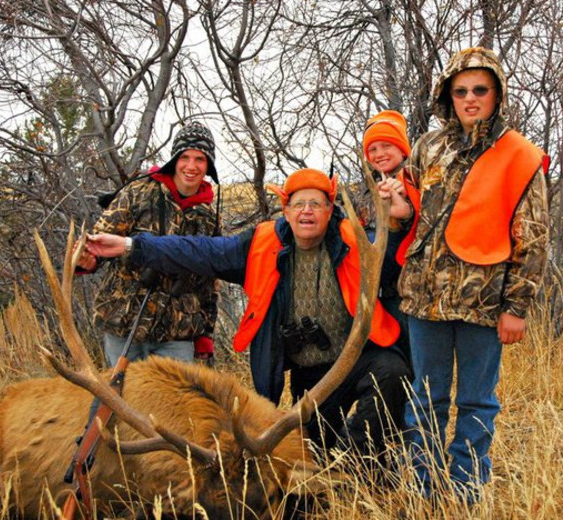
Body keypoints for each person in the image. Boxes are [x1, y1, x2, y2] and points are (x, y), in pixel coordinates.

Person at [84, 168, 414, 458]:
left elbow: (399, 256)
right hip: (311, 379)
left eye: (317, 204)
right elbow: (197, 251)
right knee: (312, 455)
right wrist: (131, 246)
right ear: (285, 209)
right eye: (298, 204)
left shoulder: (356, 241)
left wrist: (402, 221)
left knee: (391, 370)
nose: (307, 211)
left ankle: (362, 459)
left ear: (331, 210)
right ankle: (335, 457)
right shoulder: (260, 245)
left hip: (355, 361)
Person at [399, 47, 550, 500]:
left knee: (477, 403)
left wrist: (516, 308)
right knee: (426, 401)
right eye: (460, 91)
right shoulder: (428, 147)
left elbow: (534, 237)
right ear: (448, 95)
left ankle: (466, 493)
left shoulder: (520, 155)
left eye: (480, 90)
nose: (470, 99)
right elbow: (408, 215)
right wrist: (394, 208)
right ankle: (423, 492)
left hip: (484, 304)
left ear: (496, 94)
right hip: (425, 300)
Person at [77, 121, 222, 367]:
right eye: (185, 157)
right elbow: (100, 241)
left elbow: (209, 283)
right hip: (125, 324)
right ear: (174, 160)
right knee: (120, 396)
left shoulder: (209, 217)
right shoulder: (138, 193)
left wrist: (205, 335)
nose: (191, 166)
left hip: (178, 332)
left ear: (208, 165)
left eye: (200, 159)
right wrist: (88, 259)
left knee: (174, 402)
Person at [360, 109, 421, 375]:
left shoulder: (416, 183)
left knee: (415, 367)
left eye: (386, 146)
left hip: (408, 296)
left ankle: (415, 416)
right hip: (378, 297)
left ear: (402, 148)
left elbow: (422, 225)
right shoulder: (366, 190)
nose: (379, 154)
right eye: (372, 149)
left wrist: (404, 211)